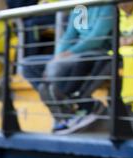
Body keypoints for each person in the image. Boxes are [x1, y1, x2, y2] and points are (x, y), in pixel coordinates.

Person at [22, 5, 114, 133]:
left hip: (96, 53)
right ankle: (67, 112)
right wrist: (58, 56)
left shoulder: (106, 6)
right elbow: (69, 35)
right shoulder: (80, 8)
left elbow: (96, 38)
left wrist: (70, 52)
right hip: (72, 55)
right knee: (28, 65)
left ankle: (77, 109)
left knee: (57, 71)